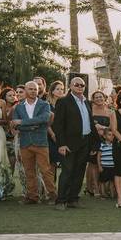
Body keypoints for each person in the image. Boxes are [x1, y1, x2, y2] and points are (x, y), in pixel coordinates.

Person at [52, 77, 94, 210]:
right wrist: (61, 144)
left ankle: (73, 199)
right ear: (70, 85)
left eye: (82, 85)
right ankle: (60, 201)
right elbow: (58, 125)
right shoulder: (63, 101)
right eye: (77, 84)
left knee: (79, 172)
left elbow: (90, 123)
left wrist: (93, 144)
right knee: (67, 171)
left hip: (85, 141)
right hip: (69, 143)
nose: (80, 87)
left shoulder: (87, 102)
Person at [11, 80, 55, 204]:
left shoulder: (44, 104)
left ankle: (52, 195)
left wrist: (22, 122)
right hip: (25, 143)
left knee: (45, 170)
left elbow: (44, 119)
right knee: (29, 171)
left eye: (35, 89)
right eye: (30, 89)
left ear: (38, 91)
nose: (33, 91)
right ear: (25, 90)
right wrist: (30, 125)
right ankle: (32, 197)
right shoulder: (19, 107)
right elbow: (15, 124)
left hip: (40, 142)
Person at [86, 90, 112, 198]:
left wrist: (102, 127)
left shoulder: (110, 111)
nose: (99, 99)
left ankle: (104, 189)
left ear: (104, 98)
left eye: (100, 97)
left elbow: (111, 127)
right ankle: (94, 188)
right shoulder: (90, 110)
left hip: (106, 140)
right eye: (96, 97)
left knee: (105, 163)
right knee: (93, 164)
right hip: (92, 140)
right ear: (93, 99)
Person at [97, 129, 116, 199]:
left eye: (113, 135)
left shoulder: (114, 145)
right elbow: (98, 156)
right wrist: (99, 166)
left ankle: (112, 193)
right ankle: (103, 193)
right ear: (104, 136)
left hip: (112, 166)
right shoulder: (102, 145)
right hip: (104, 166)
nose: (112, 136)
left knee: (112, 181)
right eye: (109, 135)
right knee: (103, 181)